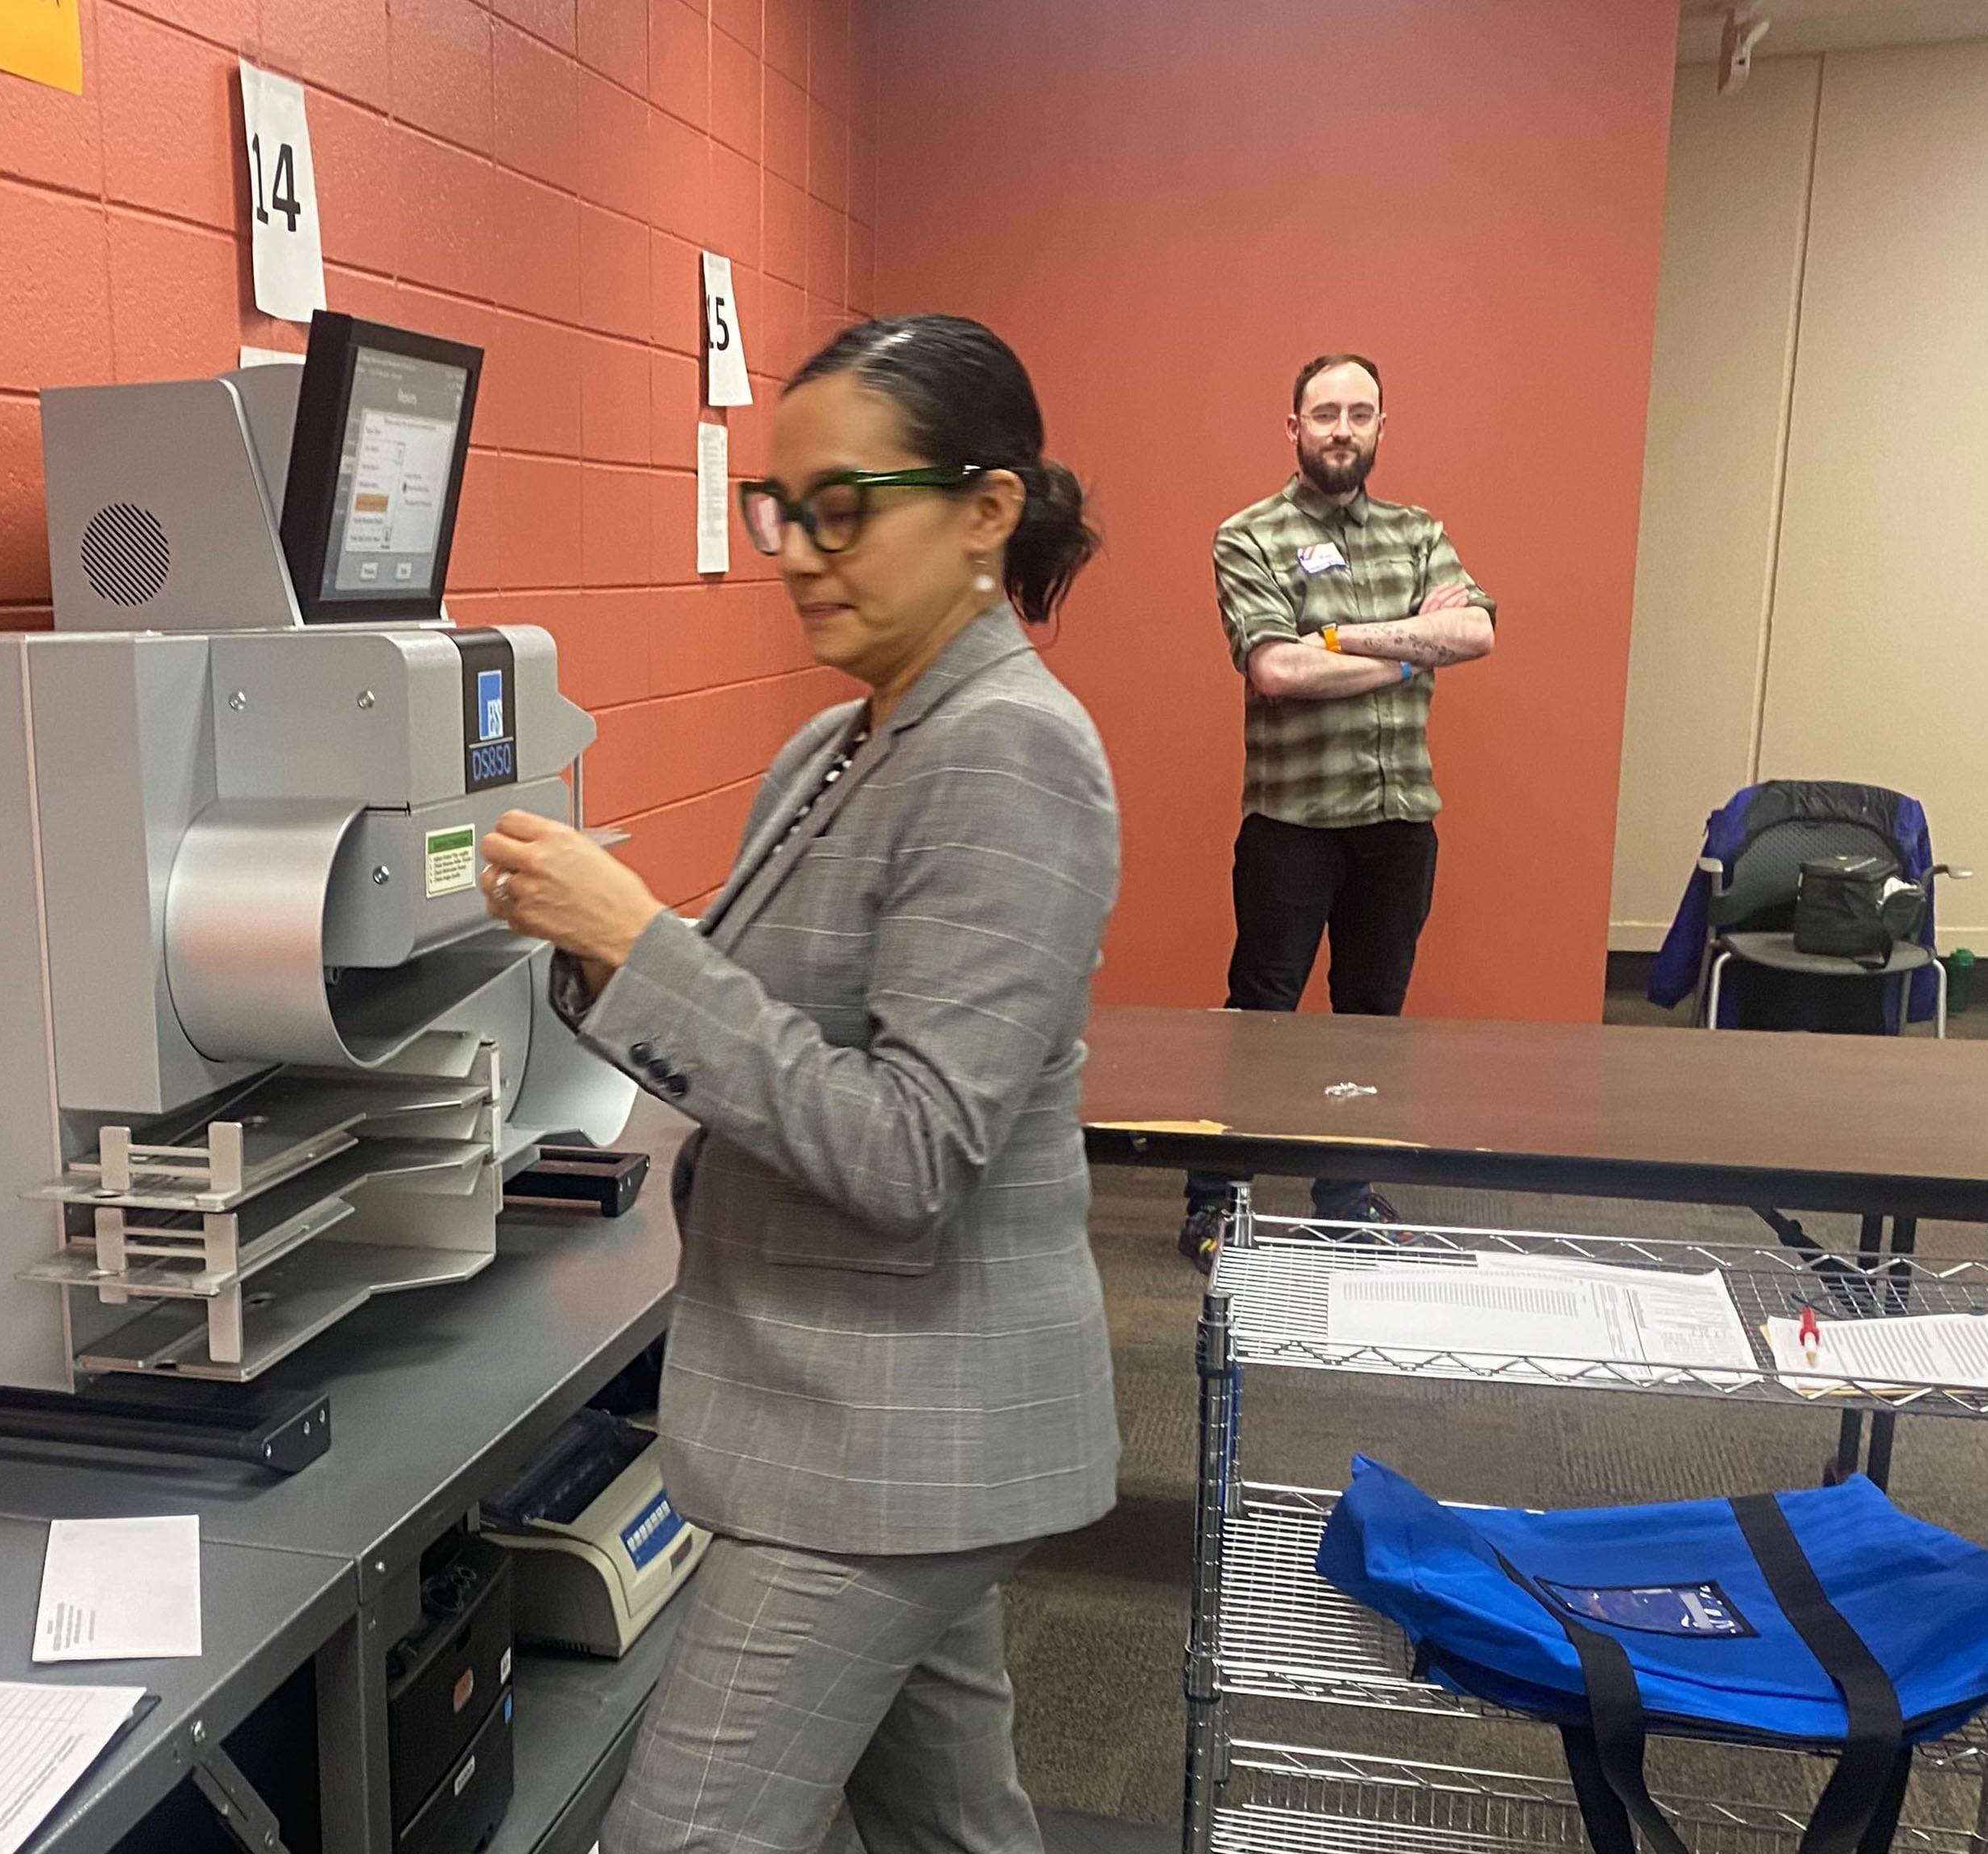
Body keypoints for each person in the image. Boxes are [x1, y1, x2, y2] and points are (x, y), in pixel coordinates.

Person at [474, 315, 1117, 1854]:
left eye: (845, 506)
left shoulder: (1010, 752)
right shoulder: (841, 741)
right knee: (947, 1821)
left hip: (897, 1431)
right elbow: (744, 1010)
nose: (798, 549)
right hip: (840, 1397)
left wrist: (640, 945)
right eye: (781, 507)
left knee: (677, 1837)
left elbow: (909, 1149)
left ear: (985, 511)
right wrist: (583, 942)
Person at [1177, 354, 1497, 1272]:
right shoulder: (1250, 535)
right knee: (1260, 1018)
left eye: (1361, 413)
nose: (1342, 428)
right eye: (1325, 413)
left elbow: (1474, 631)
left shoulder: (1418, 531)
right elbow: (1275, 670)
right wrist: (1409, 648)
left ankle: (1344, 1201)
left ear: (1382, 428)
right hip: (1293, 821)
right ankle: (1215, 1202)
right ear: (1294, 428)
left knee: (1371, 1022)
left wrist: (1337, 636)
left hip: (1398, 822)